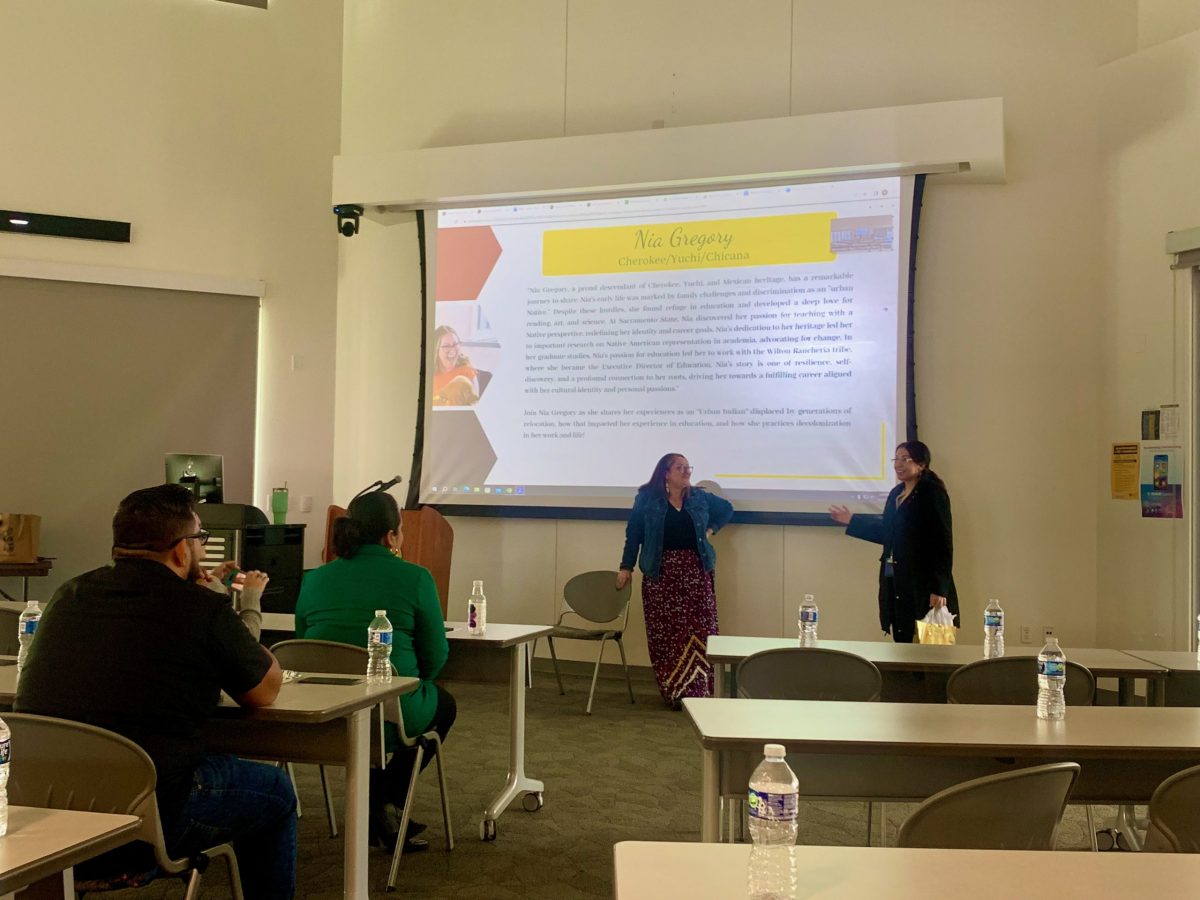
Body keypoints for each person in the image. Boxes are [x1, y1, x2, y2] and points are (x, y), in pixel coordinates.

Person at [15, 484, 296, 900]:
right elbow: (266, 690)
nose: (201, 549)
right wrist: (221, 604)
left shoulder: (67, 595)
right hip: (147, 821)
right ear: (182, 550)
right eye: (200, 539)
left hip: (53, 816)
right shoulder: (200, 608)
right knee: (276, 790)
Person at [294, 490, 455, 851]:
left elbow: (302, 641)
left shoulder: (316, 578)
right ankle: (381, 800)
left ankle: (377, 804)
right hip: (390, 709)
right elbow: (435, 653)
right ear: (391, 536)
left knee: (381, 713)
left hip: (324, 712)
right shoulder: (415, 577)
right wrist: (415, 683)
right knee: (442, 706)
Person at [618, 454, 734, 706]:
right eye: (680, 468)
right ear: (666, 473)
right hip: (662, 575)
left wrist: (711, 529)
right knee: (668, 634)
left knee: (701, 631)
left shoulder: (700, 497)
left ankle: (701, 691)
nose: (686, 472)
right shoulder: (647, 499)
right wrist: (626, 566)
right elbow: (634, 534)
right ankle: (674, 690)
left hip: (696, 573)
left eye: (688, 467)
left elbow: (727, 509)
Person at [828, 440, 958, 643]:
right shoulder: (896, 494)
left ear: (921, 463)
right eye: (896, 459)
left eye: (905, 458)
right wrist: (852, 521)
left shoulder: (932, 493)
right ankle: (905, 675)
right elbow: (888, 533)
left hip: (923, 580)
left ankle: (932, 676)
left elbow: (943, 542)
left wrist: (939, 588)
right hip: (896, 578)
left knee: (934, 644)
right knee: (902, 637)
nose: (899, 464)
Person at [431, 324, 480, 406]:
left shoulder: (467, 371)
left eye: (455, 344)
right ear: (436, 349)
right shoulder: (428, 374)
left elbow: (474, 407)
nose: (453, 349)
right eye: (446, 346)